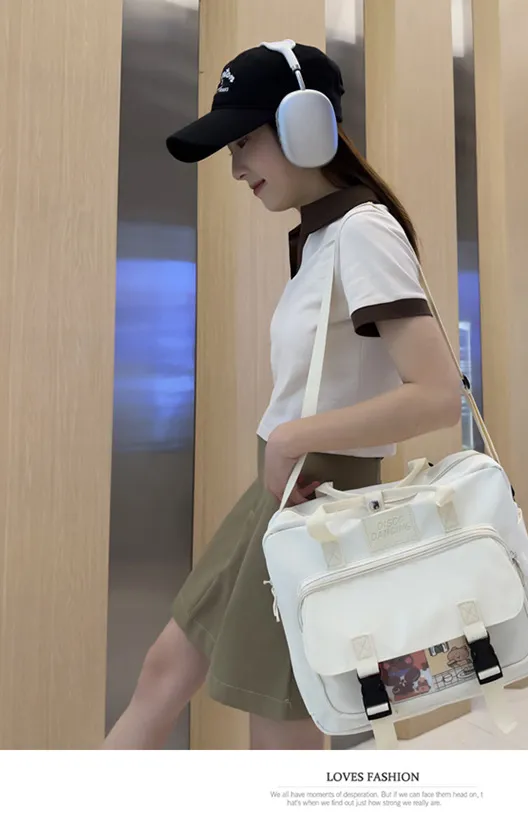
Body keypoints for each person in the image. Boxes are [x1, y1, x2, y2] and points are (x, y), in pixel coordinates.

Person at [103, 42, 462, 750]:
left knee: (278, 726)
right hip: (282, 491)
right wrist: (289, 442)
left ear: (306, 125)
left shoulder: (363, 233)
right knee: (165, 671)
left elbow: (438, 394)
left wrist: (296, 437)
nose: (236, 167)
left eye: (244, 142)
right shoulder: (324, 237)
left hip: (319, 498)